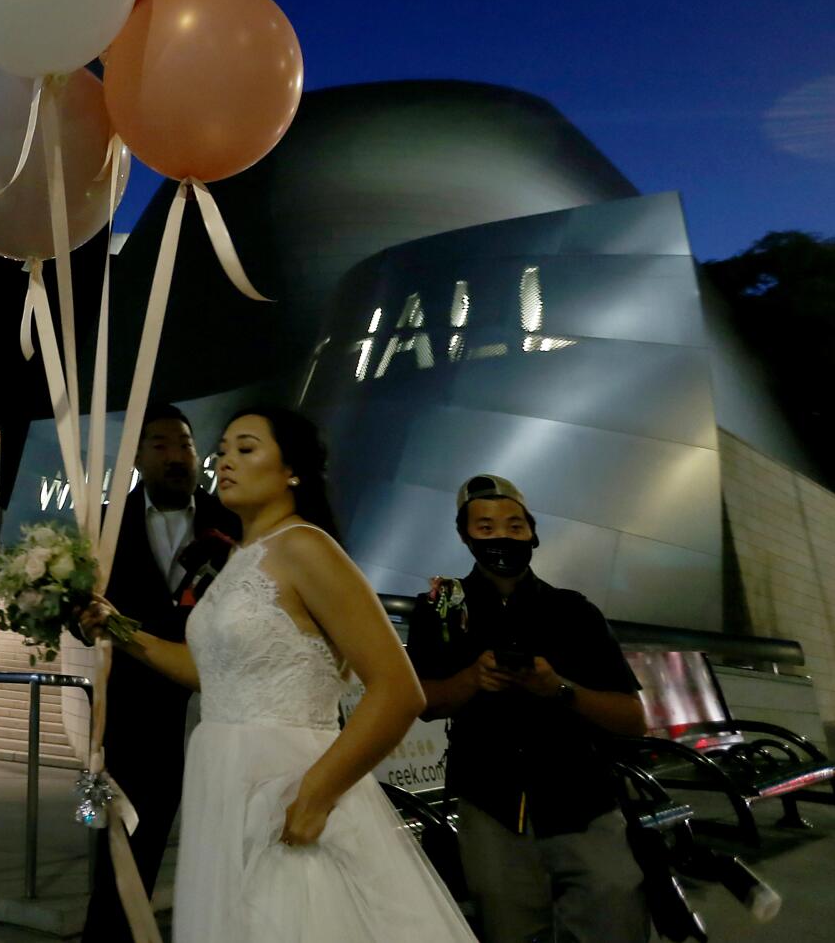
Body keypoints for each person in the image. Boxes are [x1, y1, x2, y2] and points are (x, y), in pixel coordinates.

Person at [84, 406, 474, 942]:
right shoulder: (242, 558)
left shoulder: (307, 547)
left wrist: (317, 792)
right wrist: (117, 628)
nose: (226, 461)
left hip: (284, 782)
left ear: (292, 470)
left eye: (246, 449)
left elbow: (398, 690)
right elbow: (210, 673)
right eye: (223, 450)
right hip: (223, 778)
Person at [406, 474, 650, 943]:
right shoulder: (439, 609)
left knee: (613, 914)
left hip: (583, 798)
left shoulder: (575, 612)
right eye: (486, 526)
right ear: (464, 534)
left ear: (534, 533)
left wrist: (558, 689)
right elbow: (425, 703)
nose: (502, 536)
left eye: (515, 526)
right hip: (490, 803)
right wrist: (471, 679)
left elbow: (632, 718)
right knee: (511, 929)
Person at [82, 402, 237, 941]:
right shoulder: (103, 523)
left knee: (228, 850)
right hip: (134, 717)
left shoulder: (234, 522)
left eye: (186, 445)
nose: (177, 456)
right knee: (125, 849)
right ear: (138, 456)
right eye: (161, 445)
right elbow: (80, 608)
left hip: (224, 709)